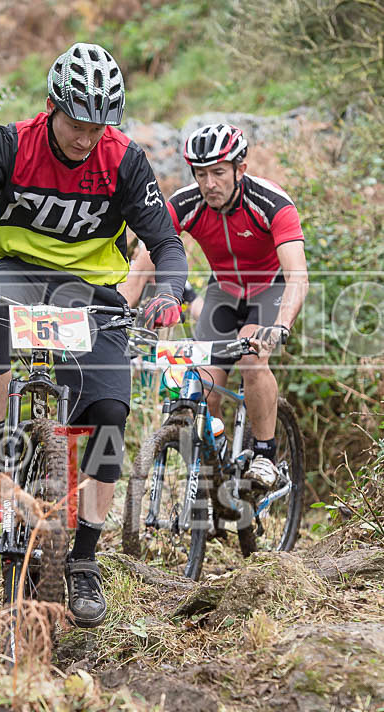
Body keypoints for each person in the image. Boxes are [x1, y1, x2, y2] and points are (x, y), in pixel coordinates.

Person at [0, 42, 187, 628]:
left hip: (93, 291)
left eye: (101, 123)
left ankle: (84, 561)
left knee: (109, 413)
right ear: (53, 106)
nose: (88, 136)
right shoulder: (11, 144)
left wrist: (165, 293)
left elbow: (167, 244)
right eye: (79, 122)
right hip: (20, 276)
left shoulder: (124, 159)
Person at [130, 122, 309, 488]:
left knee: (251, 357)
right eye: (200, 174)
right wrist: (120, 311)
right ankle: (214, 477)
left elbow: (297, 275)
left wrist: (281, 325)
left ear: (239, 169)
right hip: (223, 291)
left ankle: (264, 453)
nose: (209, 183)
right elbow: (143, 261)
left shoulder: (271, 203)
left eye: (218, 172)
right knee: (202, 383)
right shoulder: (186, 203)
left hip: (268, 289)